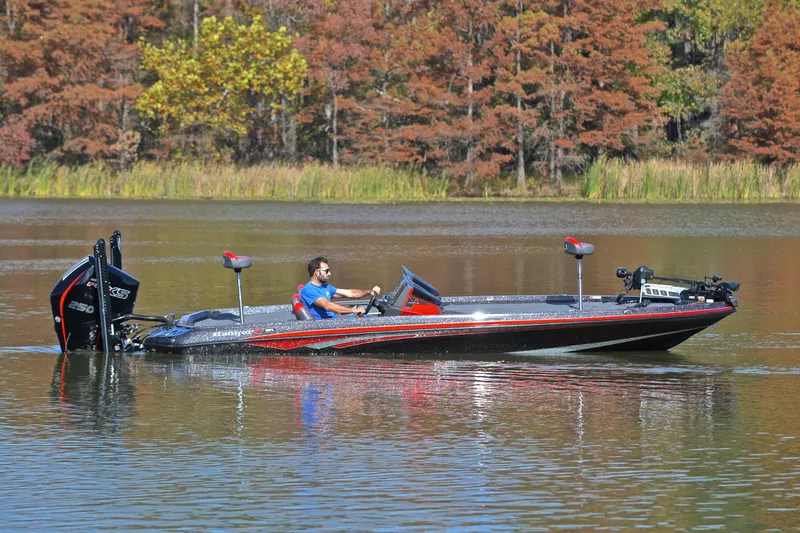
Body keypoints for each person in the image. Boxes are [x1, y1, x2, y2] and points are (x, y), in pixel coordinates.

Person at [300, 256, 381, 319]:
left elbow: (349, 293)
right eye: (326, 271)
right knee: (368, 319)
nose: (330, 273)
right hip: (327, 325)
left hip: (335, 320)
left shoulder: (325, 287)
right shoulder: (309, 290)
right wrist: (354, 310)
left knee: (366, 317)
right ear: (317, 272)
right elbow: (327, 305)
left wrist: (368, 292)